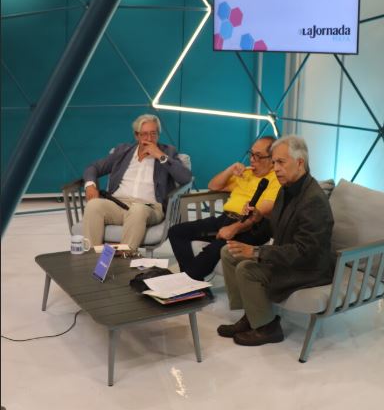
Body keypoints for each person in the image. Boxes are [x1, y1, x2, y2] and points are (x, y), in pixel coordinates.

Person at [218, 135, 333, 346]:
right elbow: (280, 226)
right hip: (288, 257)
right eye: (274, 162)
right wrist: (258, 217)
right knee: (228, 252)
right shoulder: (286, 188)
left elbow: (305, 252)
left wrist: (257, 252)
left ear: (300, 163)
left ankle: (268, 328)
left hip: (308, 268)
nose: (276, 168)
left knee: (246, 269)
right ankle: (252, 315)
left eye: (281, 162)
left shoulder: (313, 200)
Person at [168, 136, 280, 280]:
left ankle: (187, 282)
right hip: (225, 218)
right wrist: (231, 169)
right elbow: (213, 185)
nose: (252, 159)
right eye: (251, 154)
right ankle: (194, 284)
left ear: (272, 160)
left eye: (258, 156)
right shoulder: (246, 173)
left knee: (214, 249)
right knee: (176, 232)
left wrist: (234, 228)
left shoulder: (275, 180)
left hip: (251, 227)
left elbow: (258, 215)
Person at [82, 114, 191, 251]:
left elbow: (185, 178)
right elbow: (93, 168)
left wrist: (160, 155)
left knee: (137, 210)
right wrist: (90, 185)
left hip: (149, 207)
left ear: (158, 134)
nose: (149, 138)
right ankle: (92, 257)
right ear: (136, 135)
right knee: (94, 205)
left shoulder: (168, 152)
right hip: (118, 204)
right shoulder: (123, 151)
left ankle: (124, 257)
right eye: (144, 134)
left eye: (153, 133)